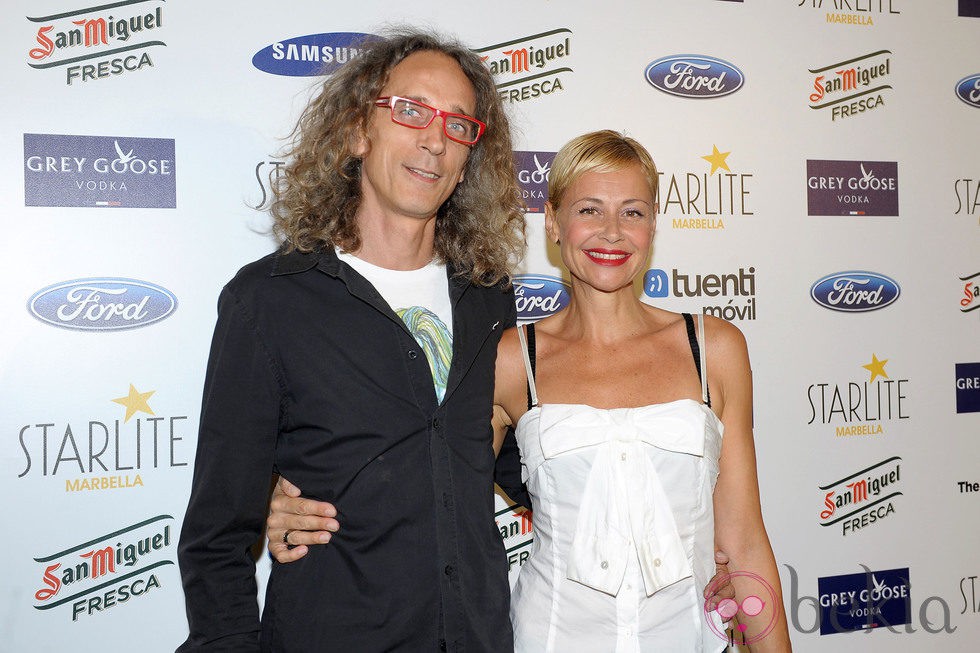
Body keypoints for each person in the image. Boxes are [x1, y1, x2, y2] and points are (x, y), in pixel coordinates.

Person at [268, 132, 786, 651]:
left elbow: (744, 543)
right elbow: (431, 490)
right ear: (554, 224)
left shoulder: (714, 348)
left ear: (653, 225)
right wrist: (296, 504)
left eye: (633, 212)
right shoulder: (511, 359)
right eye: (590, 209)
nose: (612, 232)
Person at [177, 29, 526, 652]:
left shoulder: (489, 299)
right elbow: (217, 536)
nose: (435, 139)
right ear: (356, 131)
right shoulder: (270, 302)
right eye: (411, 111)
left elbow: (517, 463)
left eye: (459, 125)